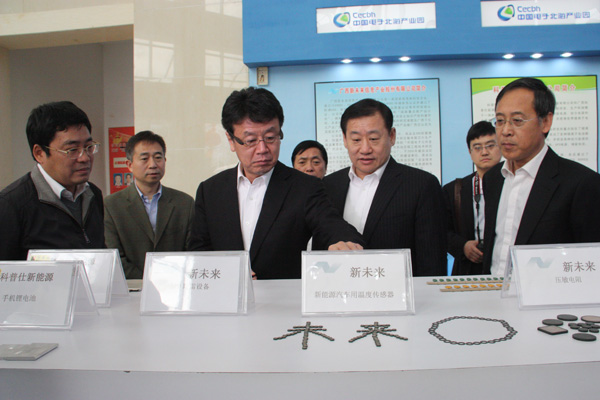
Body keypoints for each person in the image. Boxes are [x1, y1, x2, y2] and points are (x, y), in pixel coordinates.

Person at [189, 87, 363, 279]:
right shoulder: (210, 191)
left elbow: (332, 225)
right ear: (231, 140)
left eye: (271, 138)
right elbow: (199, 252)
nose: (262, 149)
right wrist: (229, 274)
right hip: (227, 295)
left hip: (284, 296)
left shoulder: (304, 187)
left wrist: (344, 242)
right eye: (251, 140)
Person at [315, 98, 447, 276]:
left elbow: (432, 261)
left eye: (373, 139)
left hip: (397, 290)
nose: (365, 149)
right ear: (345, 139)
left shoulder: (421, 185)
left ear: (391, 136)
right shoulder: (328, 186)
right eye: (356, 139)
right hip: (340, 289)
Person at [483, 77, 600, 276]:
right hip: (493, 292)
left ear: (545, 122)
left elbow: (591, 263)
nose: (505, 131)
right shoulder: (493, 178)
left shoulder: (581, 183)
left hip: (549, 294)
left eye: (517, 121)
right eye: (500, 121)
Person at [0, 101, 104, 260]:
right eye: (72, 150)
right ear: (39, 153)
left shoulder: (93, 194)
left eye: (89, 147)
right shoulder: (12, 205)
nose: (84, 158)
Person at [104, 131, 194, 279]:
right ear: (129, 165)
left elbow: (192, 251)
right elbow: (114, 257)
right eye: (144, 159)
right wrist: (148, 282)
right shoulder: (111, 205)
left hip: (175, 284)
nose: (152, 165)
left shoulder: (184, 203)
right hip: (132, 286)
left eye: (158, 158)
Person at [443, 121, 501, 275]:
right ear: (470, 152)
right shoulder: (454, 190)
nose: (484, 152)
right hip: (468, 270)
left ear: (501, 146)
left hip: (504, 267)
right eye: (477, 147)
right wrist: (463, 246)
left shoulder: (513, 184)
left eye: (490, 146)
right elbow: (442, 231)